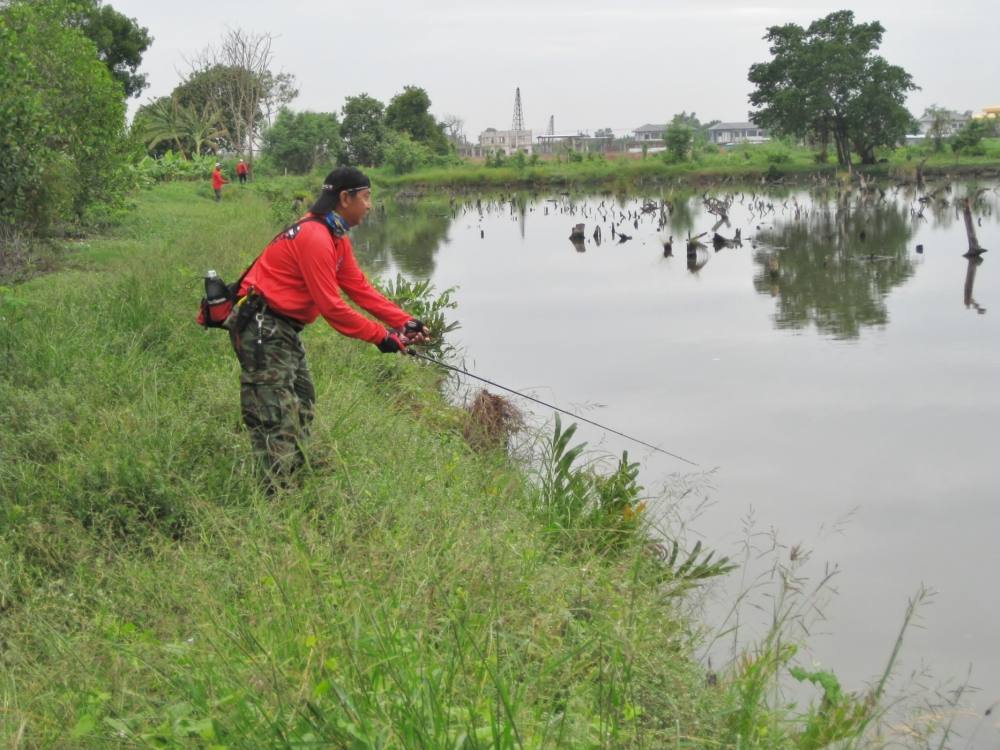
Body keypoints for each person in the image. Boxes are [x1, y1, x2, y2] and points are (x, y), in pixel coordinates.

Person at [225, 166, 430, 487]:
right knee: (274, 417)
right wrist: (381, 337)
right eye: (365, 197)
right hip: (263, 329)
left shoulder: (335, 236)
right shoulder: (315, 236)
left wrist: (402, 321)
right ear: (344, 198)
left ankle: (293, 481)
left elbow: (358, 286)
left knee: (303, 403)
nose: (369, 205)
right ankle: (274, 499)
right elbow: (332, 307)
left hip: (284, 329)